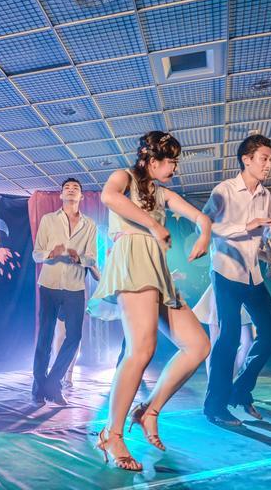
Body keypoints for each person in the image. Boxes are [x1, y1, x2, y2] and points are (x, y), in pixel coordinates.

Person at [87, 131, 211, 471]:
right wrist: (154, 227)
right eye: (170, 162)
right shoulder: (123, 177)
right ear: (152, 161)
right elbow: (109, 197)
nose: (174, 168)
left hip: (157, 270)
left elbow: (202, 217)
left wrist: (205, 232)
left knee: (198, 345)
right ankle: (112, 434)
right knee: (141, 350)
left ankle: (148, 411)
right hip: (132, 260)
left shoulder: (164, 193)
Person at [202, 134, 271, 427]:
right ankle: (214, 406)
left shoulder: (265, 195)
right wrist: (245, 226)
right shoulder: (224, 190)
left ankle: (240, 389)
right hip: (226, 271)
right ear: (246, 159)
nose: (269, 164)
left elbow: (268, 233)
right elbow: (205, 226)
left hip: (252, 273)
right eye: (264, 158)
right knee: (229, 337)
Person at [31, 178, 98, 406]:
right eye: (66, 188)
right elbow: (36, 254)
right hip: (49, 284)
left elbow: (92, 258)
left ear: (81, 196)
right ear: (61, 195)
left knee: (74, 336)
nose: (71, 190)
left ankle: (53, 382)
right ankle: (38, 388)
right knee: (45, 336)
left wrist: (78, 258)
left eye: (75, 188)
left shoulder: (89, 225)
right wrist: (51, 253)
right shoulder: (48, 219)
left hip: (75, 287)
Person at [51, 265, 100, 389]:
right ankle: (58, 372)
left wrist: (89, 264)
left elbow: (98, 276)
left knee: (75, 337)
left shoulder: (87, 254)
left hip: (77, 295)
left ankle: (69, 375)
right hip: (60, 291)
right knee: (60, 334)